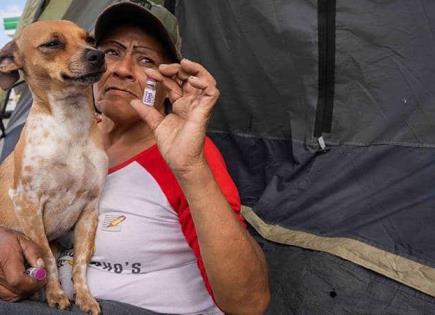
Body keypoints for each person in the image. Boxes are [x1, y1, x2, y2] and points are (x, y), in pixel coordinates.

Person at [0, 1, 270, 314]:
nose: (121, 69)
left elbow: (249, 303)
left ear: (170, 83)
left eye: (145, 59)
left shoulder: (186, 155)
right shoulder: (49, 142)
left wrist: (190, 168)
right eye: (110, 51)